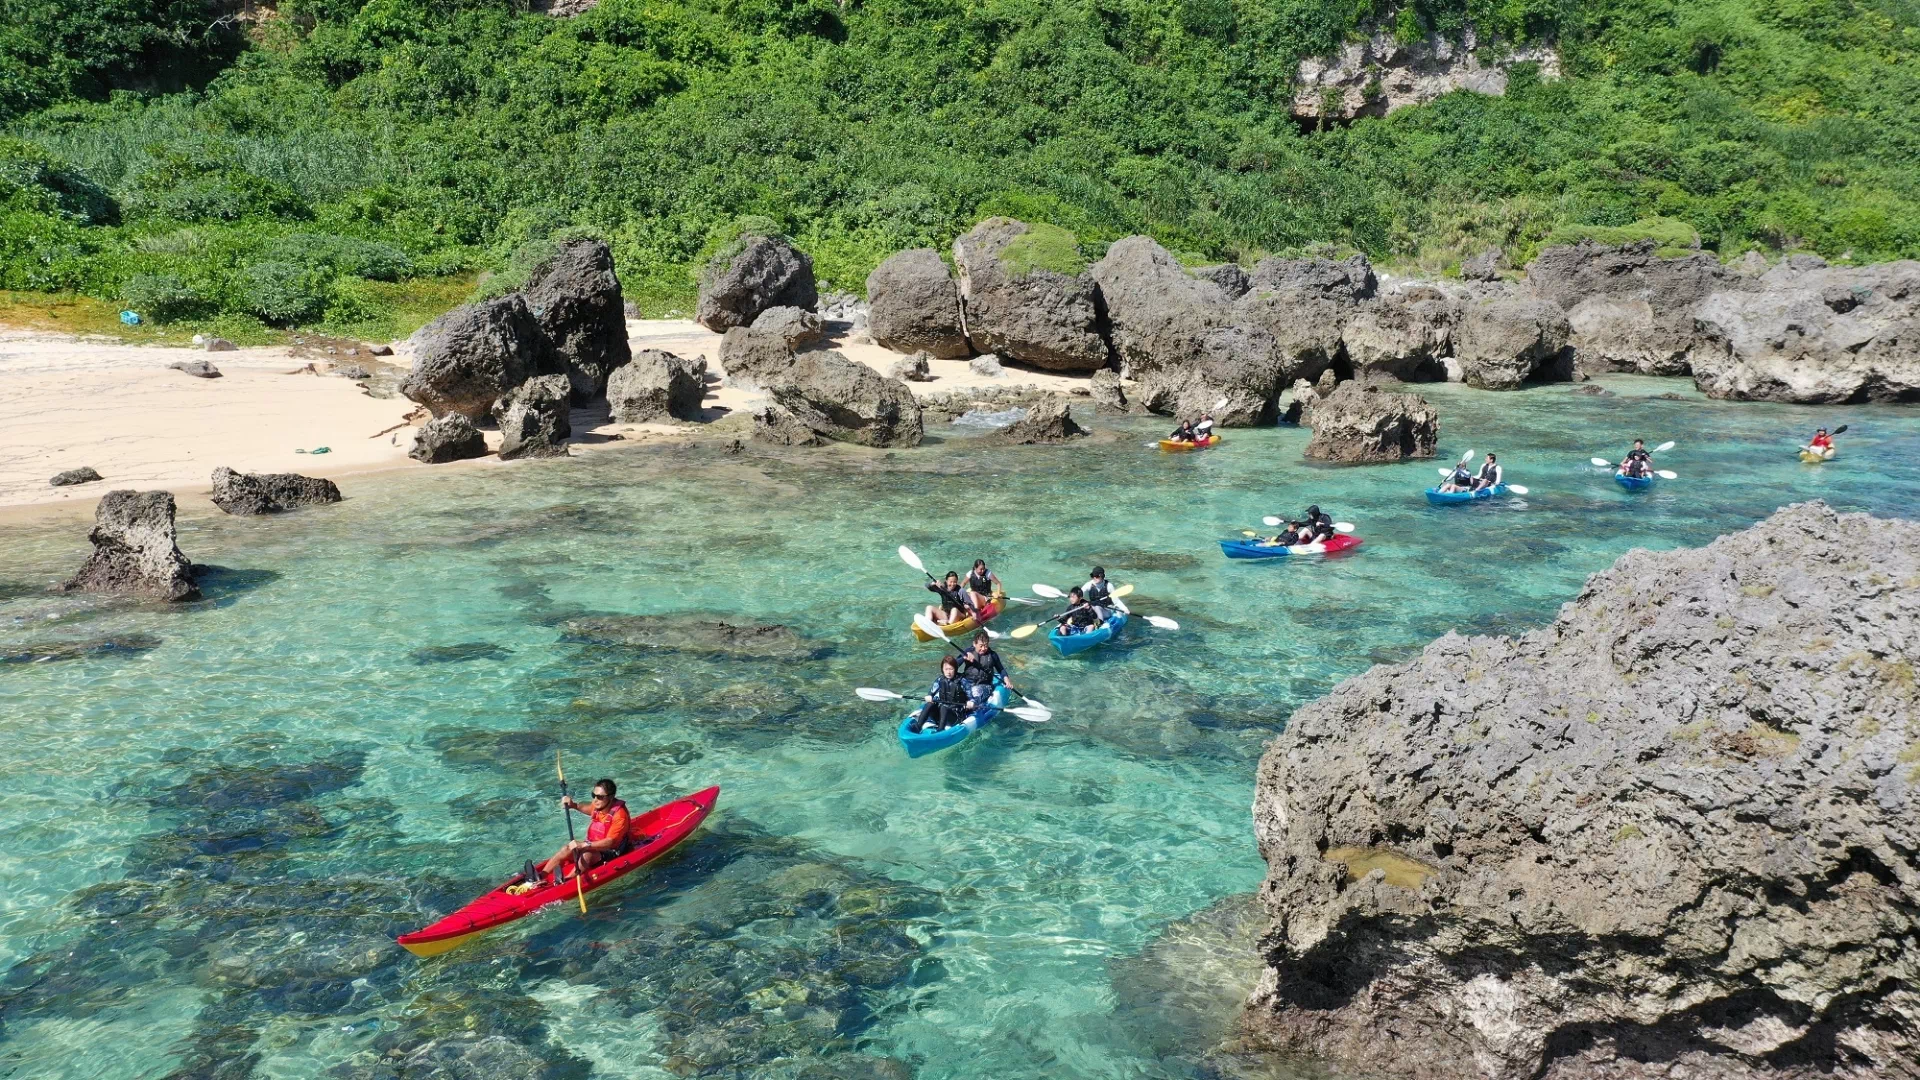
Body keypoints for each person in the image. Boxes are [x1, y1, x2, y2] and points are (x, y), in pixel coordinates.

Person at [529, 779, 630, 887]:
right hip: (593, 845)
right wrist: (573, 805)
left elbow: (610, 842)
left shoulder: (620, 815)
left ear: (611, 797)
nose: (595, 800)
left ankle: (566, 881)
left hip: (612, 851)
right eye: (593, 795)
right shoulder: (599, 806)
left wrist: (584, 845)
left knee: (587, 855)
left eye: (600, 797)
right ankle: (541, 876)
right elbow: (588, 809)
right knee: (566, 848)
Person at [909, 654, 972, 733]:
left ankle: (940, 730)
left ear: (955, 669)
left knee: (944, 707)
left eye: (951, 669)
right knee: (930, 704)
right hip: (941, 714)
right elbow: (931, 692)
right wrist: (929, 696)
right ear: (942, 669)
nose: (948, 672)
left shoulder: (962, 681)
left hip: (956, 715)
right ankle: (918, 726)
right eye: (946, 669)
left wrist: (971, 702)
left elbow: (972, 695)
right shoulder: (940, 679)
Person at [958, 630, 1011, 708]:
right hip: (967, 683)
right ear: (974, 644)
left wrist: (1006, 680)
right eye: (981, 645)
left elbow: (1001, 669)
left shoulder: (993, 655)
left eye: (986, 645)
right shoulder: (968, 652)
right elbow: (954, 665)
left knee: (976, 691)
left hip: (985, 685)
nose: (983, 648)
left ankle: (971, 705)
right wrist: (963, 657)